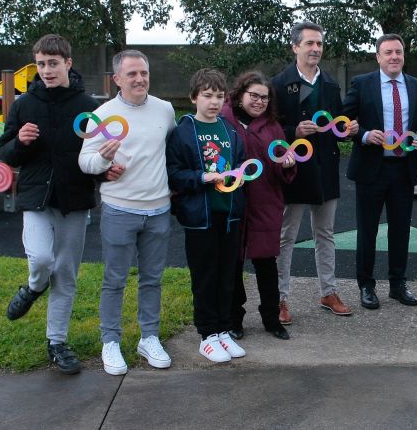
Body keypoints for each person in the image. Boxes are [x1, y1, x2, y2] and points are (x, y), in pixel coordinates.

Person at [0, 34, 99, 375]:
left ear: (68, 63)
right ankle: (33, 286)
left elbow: (95, 156)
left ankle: (57, 342)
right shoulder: (25, 104)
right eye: (41, 64)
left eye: (53, 63)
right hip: (35, 198)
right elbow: (6, 151)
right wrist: (20, 143)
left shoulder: (87, 106)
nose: (46, 70)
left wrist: (107, 165)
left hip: (74, 199)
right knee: (41, 259)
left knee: (66, 275)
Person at [79, 50, 175, 376]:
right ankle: (110, 340)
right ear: (117, 79)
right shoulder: (102, 114)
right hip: (120, 209)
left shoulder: (165, 110)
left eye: (144, 73)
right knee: (115, 280)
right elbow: (85, 161)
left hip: (159, 210)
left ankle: (149, 337)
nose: (139, 79)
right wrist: (104, 162)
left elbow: (174, 151)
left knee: (152, 279)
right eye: (132, 74)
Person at [271, 21, 357, 324]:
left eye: (319, 44)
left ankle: (328, 292)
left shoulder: (331, 85)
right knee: (286, 237)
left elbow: (337, 128)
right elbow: (268, 129)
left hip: (326, 168)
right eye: (309, 43)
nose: (316, 49)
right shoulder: (278, 84)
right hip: (293, 170)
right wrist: (294, 130)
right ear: (295, 47)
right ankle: (279, 298)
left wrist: (347, 130)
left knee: (326, 234)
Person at [342, 33, 417, 309]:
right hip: (372, 168)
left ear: (404, 55)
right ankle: (366, 286)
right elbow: (345, 123)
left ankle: (397, 284)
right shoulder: (362, 84)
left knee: (401, 230)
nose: (394, 57)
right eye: (388, 52)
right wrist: (365, 134)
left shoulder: (416, 86)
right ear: (378, 57)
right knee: (367, 231)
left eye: (398, 52)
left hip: (403, 169)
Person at [166, 69, 250, 362]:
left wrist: (239, 176)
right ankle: (207, 335)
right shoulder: (183, 131)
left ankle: (224, 330)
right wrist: (202, 177)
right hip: (199, 217)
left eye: (218, 96)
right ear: (193, 98)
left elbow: (239, 164)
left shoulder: (230, 129)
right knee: (205, 276)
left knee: (227, 275)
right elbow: (174, 174)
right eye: (207, 96)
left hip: (229, 216)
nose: (213, 102)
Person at [221, 71, 295, 341]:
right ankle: (234, 320)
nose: (260, 102)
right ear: (240, 95)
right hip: (232, 203)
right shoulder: (224, 119)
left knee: (266, 265)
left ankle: (272, 320)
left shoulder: (272, 126)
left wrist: (287, 165)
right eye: (254, 95)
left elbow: (281, 161)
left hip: (265, 204)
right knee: (233, 265)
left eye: (265, 98)